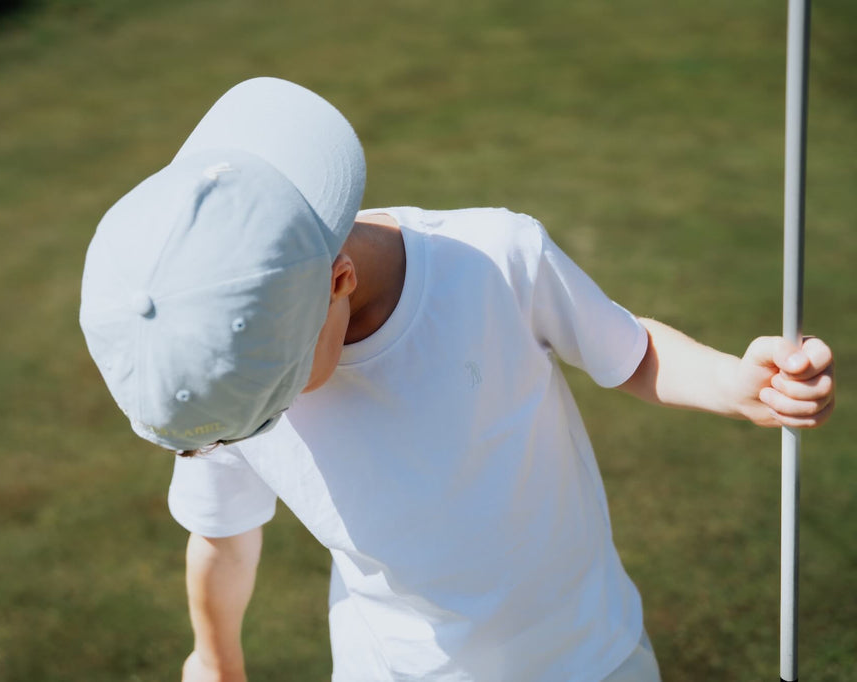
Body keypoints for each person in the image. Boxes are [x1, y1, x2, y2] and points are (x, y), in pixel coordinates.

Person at [78, 78, 835, 682]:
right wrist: (215, 660)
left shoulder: (496, 261)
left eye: (276, 402)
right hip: (389, 666)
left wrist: (736, 385)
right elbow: (222, 536)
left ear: (339, 280)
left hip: (583, 655)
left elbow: (630, 354)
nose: (263, 423)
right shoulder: (224, 381)